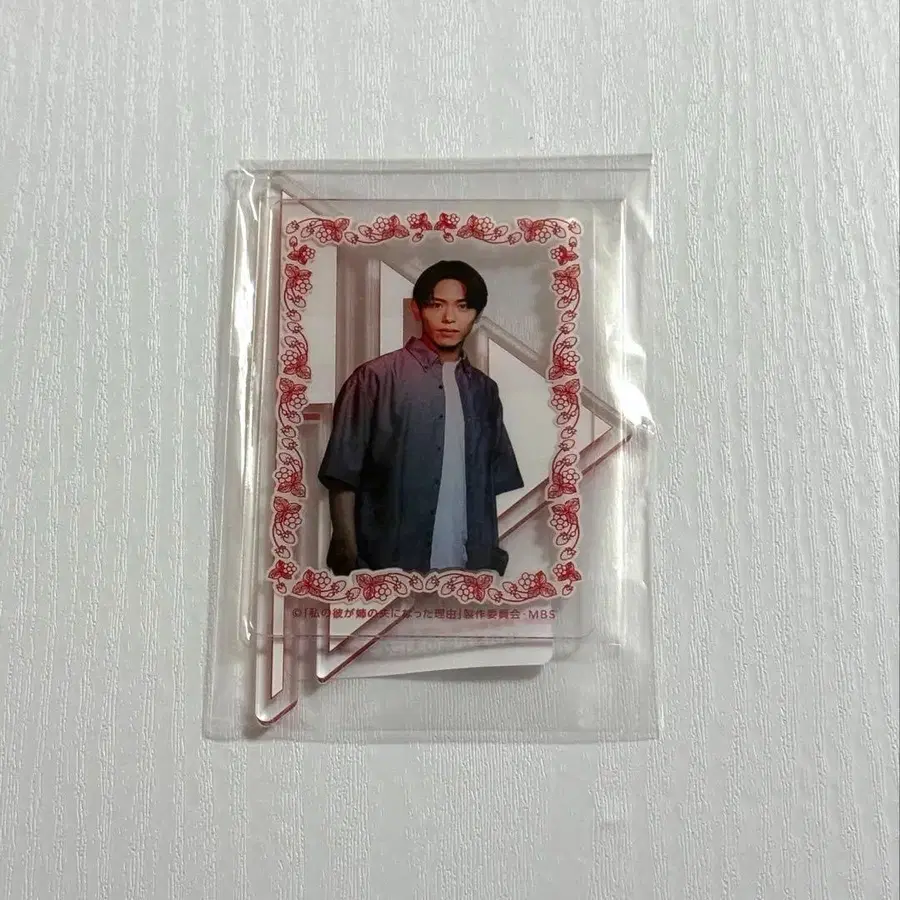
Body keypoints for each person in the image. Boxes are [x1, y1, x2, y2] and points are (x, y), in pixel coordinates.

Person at [318, 259, 523, 576]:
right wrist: (349, 553)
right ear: (417, 309)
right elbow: (342, 476)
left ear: (477, 315)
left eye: (462, 307)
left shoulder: (484, 391)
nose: (449, 318)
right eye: (436, 305)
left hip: (468, 567)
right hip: (390, 566)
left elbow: (489, 486)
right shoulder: (374, 378)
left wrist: (490, 558)